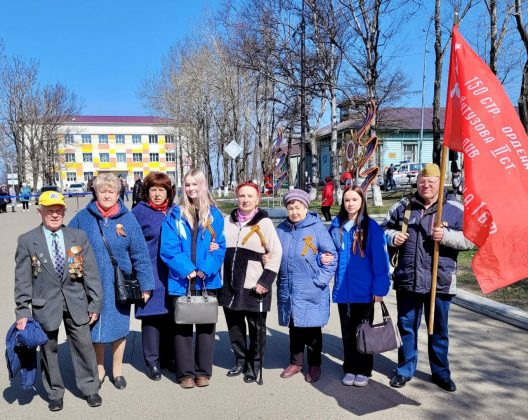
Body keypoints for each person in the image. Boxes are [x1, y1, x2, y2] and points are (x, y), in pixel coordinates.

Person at [381, 163, 472, 392]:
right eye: (422, 182)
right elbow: (382, 230)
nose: (426, 186)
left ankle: (441, 373)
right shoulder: (403, 206)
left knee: (439, 330)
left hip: (439, 281)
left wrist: (447, 236)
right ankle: (404, 370)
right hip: (408, 279)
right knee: (406, 327)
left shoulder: (454, 208)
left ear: (440, 183)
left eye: (431, 182)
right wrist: (393, 237)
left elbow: (471, 239)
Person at [14, 190, 103, 411]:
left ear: (64, 211)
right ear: (40, 212)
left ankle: (90, 387)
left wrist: (95, 302)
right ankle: (54, 392)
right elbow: (23, 280)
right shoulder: (27, 241)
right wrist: (22, 311)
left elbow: (91, 272)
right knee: (48, 349)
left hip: (77, 301)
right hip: (44, 304)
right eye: (49, 210)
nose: (54, 215)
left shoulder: (78, 236)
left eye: (58, 210)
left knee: (84, 346)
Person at [68, 173, 154, 391]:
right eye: (102, 191)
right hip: (91, 286)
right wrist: (74, 277)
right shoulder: (83, 218)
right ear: (95, 192)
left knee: (119, 328)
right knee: (95, 328)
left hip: (119, 285)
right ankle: (99, 369)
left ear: (118, 194)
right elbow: (70, 248)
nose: (106, 195)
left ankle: (117, 371)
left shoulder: (128, 219)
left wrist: (146, 285)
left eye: (111, 191)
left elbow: (140, 254)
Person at [160, 168, 226, 389]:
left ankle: (203, 371)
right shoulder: (175, 215)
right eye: (187, 184)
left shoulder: (215, 215)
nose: (190, 189)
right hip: (182, 280)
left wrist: (205, 269)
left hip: (207, 280)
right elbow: (168, 248)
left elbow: (219, 247)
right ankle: (186, 373)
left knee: (206, 328)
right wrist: (187, 269)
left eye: (194, 184)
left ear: (203, 185)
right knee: (182, 328)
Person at [326, 185, 390, 387]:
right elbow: (327, 250)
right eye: (347, 200)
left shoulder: (371, 228)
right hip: (343, 292)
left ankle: (363, 369)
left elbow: (380, 261)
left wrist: (380, 289)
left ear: (362, 201)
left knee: (363, 332)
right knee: (347, 332)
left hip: (364, 292)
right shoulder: (336, 226)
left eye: (354, 199)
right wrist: (322, 257)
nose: (350, 203)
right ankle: (350, 367)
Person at [218, 181, 282, 384]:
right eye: (242, 196)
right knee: (234, 326)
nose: (245, 200)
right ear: (237, 198)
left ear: (257, 200)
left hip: (254, 285)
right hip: (229, 284)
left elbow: (276, 252)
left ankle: (254, 364)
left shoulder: (264, 223)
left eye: (250, 196)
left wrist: (265, 281)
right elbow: (218, 244)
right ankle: (240, 360)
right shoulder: (227, 221)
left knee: (256, 329)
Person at [275, 189, 337, 383]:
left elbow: (332, 258)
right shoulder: (281, 229)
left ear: (306, 208)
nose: (294, 212)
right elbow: (274, 252)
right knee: (294, 327)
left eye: (298, 207)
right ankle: (295, 362)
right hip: (288, 288)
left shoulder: (317, 228)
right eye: (291, 208)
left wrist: (319, 281)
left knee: (312, 330)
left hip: (311, 289)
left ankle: (315, 364)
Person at [132, 172, 176, 380]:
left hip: (173, 273)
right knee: (151, 318)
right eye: (153, 190)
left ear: (168, 192)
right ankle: (152, 362)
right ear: (147, 192)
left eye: (161, 190)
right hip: (150, 272)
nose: (157, 194)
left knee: (170, 317)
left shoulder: (175, 211)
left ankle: (169, 357)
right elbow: (130, 242)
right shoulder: (139, 212)